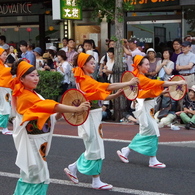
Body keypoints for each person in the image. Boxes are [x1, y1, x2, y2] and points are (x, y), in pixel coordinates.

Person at [0, 59, 90, 195]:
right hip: (32, 144)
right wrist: (74, 109)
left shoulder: (32, 93)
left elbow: (47, 114)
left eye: (37, 75)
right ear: (22, 79)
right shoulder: (25, 96)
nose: (36, 78)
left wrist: (60, 114)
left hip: (38, 142)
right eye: (32, 76)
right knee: (36, 177)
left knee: (33, 176)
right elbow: (47, 106)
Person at [64, 52, 139, 190]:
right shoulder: (86, 80)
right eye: (91, 63)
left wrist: (115, 95)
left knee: (94, 147)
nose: (94, 65)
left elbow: (98, 97)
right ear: (83, 65)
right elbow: (106, 87)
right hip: (90, 116)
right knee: (95, 147)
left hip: (93, 115)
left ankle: (74, 167)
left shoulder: (87, 78)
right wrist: (128, 82)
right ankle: (95, 179)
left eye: (94, 63)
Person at [116, 55, 186, 169]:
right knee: (152, 132)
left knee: (147, 132)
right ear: (139, 66)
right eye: (146, 64)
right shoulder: (140, 78)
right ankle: (151, 159)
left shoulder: (141, 77)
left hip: (147, 107)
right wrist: (175, 83)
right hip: (144, 108)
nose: (149, 67)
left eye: (149, 64)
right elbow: (158, 84)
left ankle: (128, 151)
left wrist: (163, 92)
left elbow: (151, 92)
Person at [0, 48, 12, 135]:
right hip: (3, 88)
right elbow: (4, 72)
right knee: (5, 107)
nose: (5, 56)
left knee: (4, 107)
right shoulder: (2, 66)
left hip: (4, 88)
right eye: (3, 54)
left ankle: (4, 127)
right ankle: (4, 128)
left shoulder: (3, 65)